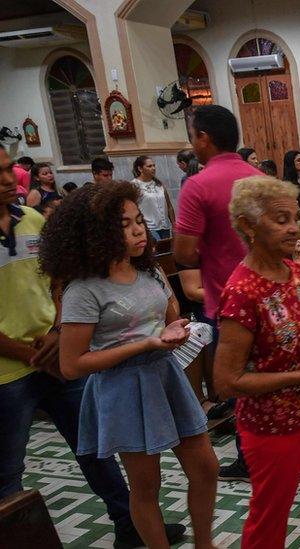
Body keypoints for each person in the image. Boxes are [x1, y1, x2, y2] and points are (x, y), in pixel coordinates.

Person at [0, 148, 186, 549]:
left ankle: (128, 526)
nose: (10, 179)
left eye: (8, 168)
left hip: (53, 349)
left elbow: (57, 282)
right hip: (7, 369)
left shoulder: (31, 220)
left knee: (97, 450)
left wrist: (56, 330)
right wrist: (25, 351)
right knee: (7, 474)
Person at [40, 180, 217, 548]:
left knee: (205, 468)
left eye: (140, 220)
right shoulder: (84, 290)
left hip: (164, 376)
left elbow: (165, 316)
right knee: (146, 485)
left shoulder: (148, 271)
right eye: (126, 224)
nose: (140, 230)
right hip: (121, 388)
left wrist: (172, 327)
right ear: (97, 233)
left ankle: (205, 543)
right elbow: (72, 365)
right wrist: (146, 343)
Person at [214, 176, 300, 548]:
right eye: (281, 219)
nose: (294, 228)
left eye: (294, 217)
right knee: (271, 514)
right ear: (247, 225)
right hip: (274, 421)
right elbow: (227, 382)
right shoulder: (242, 292)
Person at [174, 104, 262, 481]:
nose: (192, 143)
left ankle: (249, 458)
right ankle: (272, 447)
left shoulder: (197, 185)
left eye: (193, 136)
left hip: (228, 301)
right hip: (266, 295)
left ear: (204, 138)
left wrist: (212, 249)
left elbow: (182, 252)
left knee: (236, 382)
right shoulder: (257, 178)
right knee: (265, 375)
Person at [131, 156, 175, 240]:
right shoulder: (134, 185)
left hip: (164, 227)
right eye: (149, 166)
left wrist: (174, 224)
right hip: (149, 228)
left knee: (166, 251)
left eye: (154, 166)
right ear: (140, 169)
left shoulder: (159, 184)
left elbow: (169, 205)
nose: (153, 168)